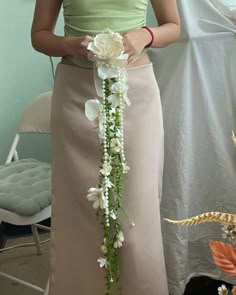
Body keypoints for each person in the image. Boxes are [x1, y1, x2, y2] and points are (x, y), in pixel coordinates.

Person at [31, 1, 180, 294]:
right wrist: (71, 45)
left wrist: (146, 35)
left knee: (137, 217)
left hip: (136, 92)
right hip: (76, 92)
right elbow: (39, 35)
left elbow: (173, 27)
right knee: (80, 215)